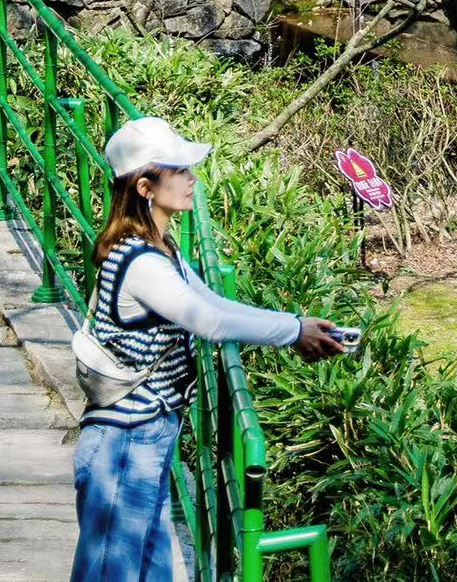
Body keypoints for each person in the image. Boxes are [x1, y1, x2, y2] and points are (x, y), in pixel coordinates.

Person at [70, 116, 345, 582]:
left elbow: (211, 301)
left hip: (150, 432)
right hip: (125, 441)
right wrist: (292, 332)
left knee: (151, 570)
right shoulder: (139, 261)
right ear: (145, 187)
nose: (193, 180)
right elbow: (211, 322)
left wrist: (295, 325)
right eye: (181, 172)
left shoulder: (162, 248)